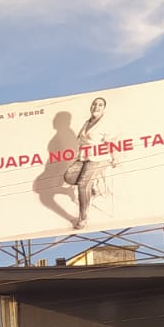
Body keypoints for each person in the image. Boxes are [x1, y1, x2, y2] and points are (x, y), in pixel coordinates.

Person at [70, 97, 114, 229]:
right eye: (94, 104)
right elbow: (79, 139)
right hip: (85, 157)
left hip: (100, 158)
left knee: (82, 185)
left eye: (100, 105)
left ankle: (83, 218)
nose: (96, 106)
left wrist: (114, 157)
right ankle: (93, 188)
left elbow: (110, 141)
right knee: (69, 175)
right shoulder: (87, 122)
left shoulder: (106, 123)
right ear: (91, 107)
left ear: (104, 108)